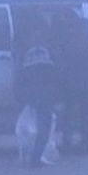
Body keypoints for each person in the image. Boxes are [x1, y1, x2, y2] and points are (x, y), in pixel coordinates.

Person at [13, 28, 61, 167]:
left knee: (26, 127)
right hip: (45, 96)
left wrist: (20, 96)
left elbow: (19, 77)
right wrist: (58, 97)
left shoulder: (24, 53)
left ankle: (28, 155)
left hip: (31, 95)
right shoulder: (49, 53)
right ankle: (36, 157)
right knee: (43, 129)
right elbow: (56, 76)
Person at [55, 15, 88, 150]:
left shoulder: (67, 40)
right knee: (85, 112)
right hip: (87, 81)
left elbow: (60, 59)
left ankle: (67, 139)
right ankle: (85, 140)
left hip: (70, 81)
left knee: (69, 111)